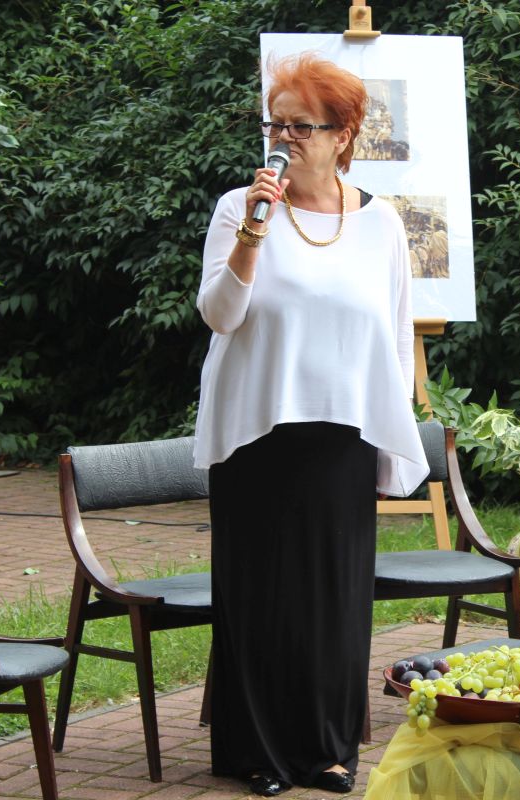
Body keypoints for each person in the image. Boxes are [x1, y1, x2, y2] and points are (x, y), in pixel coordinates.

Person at [193, 52, 428, 797]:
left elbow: (395, 338)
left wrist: (393, 446)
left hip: (342, 440)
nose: (284, 138)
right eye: (276, 124)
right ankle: (258, 754)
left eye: (302, 126)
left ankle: (328, 749)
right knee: (260, 597)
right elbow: (219, 314)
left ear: (343, 134)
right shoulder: (239, 208)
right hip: (256, 435)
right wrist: (252, 234)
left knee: (333, 601)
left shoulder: (382, 223)